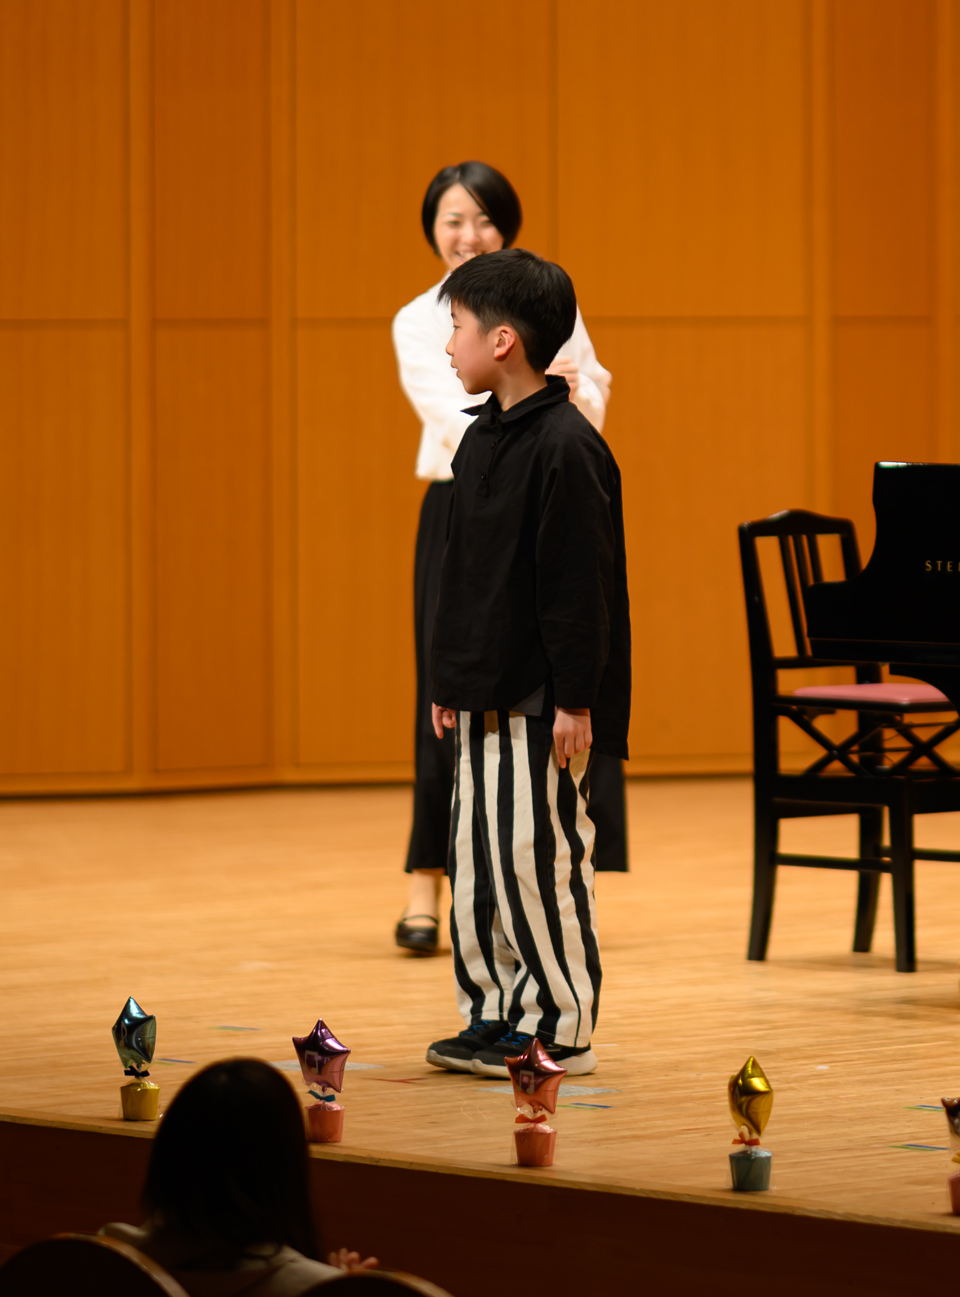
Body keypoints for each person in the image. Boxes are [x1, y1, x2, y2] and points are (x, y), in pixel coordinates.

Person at [391, 161, 613, 955]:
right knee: (448, 690)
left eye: (483, 219)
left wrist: (560, 397)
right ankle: (432, 880)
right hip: (464, 502)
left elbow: (592, 394)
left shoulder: (545, 294)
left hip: (547, 484)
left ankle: (539, 880)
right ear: (432, 228)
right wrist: (552, 392)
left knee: (556, 678)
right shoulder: (420, 318)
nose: (468, 234)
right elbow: (462, 416)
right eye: (453, 219)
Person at [422, 247, 630, 1078]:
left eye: (459, 328)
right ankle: (494, 1009)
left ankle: (560, 1021)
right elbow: (460, 575)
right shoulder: (479, 444)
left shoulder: (567, 446)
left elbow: (579, 590)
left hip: (543, 701)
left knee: (535, 854)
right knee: (476, 854)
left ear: (503, 340)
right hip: (479, 691)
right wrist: (446, 679)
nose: (449, 346)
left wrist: (577, 700)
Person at [102, 1058, 376, 1293]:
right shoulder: (311, 1288)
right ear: (286, 1169)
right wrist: (335, 1287)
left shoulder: (104, 1261)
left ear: (167, 1155)